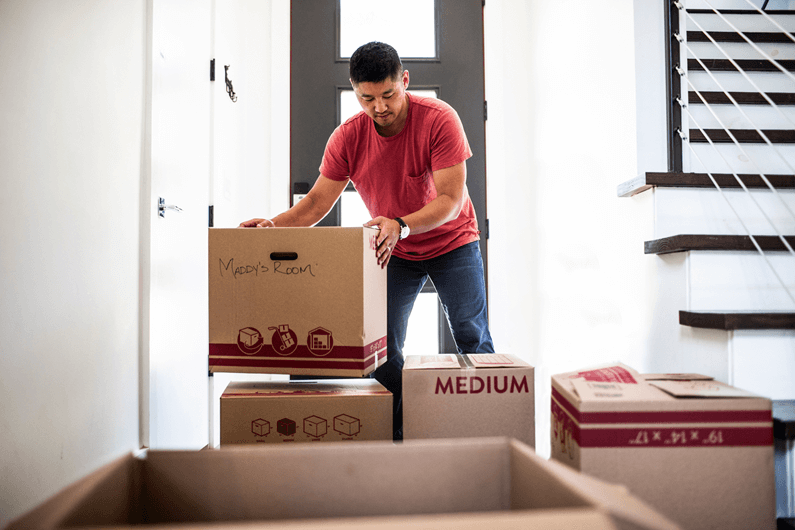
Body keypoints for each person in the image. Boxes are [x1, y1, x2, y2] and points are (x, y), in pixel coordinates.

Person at [240, 41, 494, 440]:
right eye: (367, 98)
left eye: (389, 95)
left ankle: (487, 432)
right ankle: (395, 437)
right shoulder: (348, 137)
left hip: (452, 242)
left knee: (471, 334)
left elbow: (451, 199)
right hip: (391, 250)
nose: (379, 107)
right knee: (384, 348)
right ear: (355, 91)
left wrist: (400, 223)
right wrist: (273, 227)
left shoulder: (439, 119)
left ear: (405, 81)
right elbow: (316, 202)